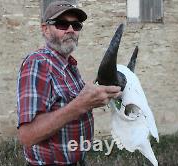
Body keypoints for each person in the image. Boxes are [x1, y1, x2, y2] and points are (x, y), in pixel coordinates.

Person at [16, 1, 121, 165]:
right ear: (45, 29)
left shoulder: (69, 65)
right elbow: (27, 136)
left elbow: (73, 102)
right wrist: (81, 104)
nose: (71, 30)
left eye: (76, 25)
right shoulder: (37, 63)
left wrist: (98, 95)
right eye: (62, 24)